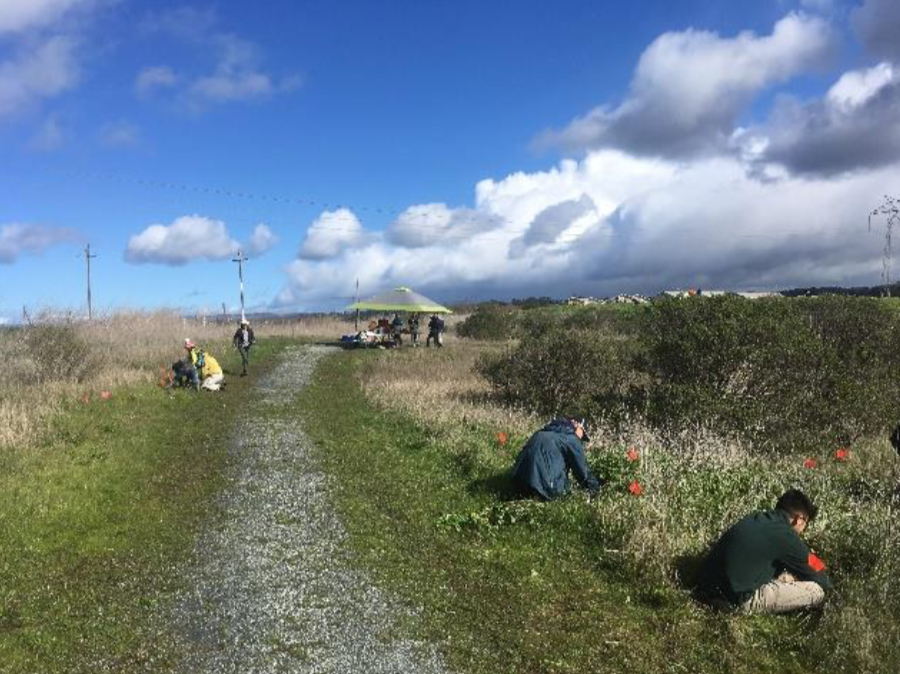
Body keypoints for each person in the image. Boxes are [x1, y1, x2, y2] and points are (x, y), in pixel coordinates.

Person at [697, 489, 832, 614]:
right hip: (734, 600)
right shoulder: (786, 536)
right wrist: (825, 574)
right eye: (806, 524)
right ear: (799, 519)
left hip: (705, 585)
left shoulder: (755, 518)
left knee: (783, 572)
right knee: (816, 591)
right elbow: (819, 576)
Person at [511, 417, 602, 500]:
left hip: (517, 484)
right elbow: (583, 472)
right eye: (583, 433)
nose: (582, 438)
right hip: (543, 490)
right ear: (578, 426)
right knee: (565, 493)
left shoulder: (542, 432)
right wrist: (596, 491)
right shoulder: (571, 439)